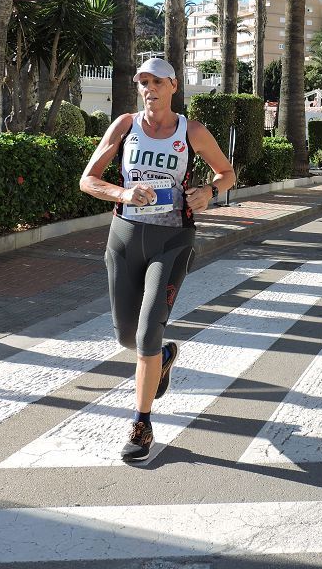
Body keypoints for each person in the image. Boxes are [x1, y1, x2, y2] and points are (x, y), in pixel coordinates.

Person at [79, 57, 235, 463]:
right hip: (125, 238)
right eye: (142, 82)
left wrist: (209, 193)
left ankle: (141, 423)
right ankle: (163, 358)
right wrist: (123, 194)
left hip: (173, 241)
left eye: (156, 82)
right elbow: (88, 179)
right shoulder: (125, 126)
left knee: (148, 331)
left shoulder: (192, 131)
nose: (148, 88)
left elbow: (226, 173)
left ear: (173, 86)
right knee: (126, 337)